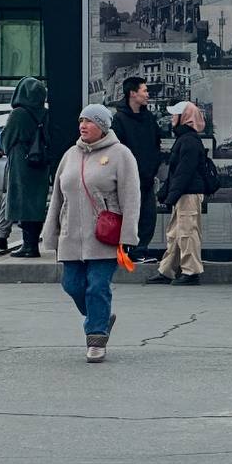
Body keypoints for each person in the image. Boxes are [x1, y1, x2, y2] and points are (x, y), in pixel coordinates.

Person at [41, 104, 140, 364]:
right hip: (71, 234)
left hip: (105, 236)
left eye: (90, 121)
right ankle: (102, 317)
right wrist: (50, 234)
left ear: (103, 127)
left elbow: (131, 197)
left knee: (97, 286)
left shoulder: (121, 155)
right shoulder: (70, 154)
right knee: (71, 285)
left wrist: (128, 236)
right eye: (81, 120)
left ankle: (96, 338)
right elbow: (57, 199)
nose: (83, 125)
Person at [148, 101, 208, 286]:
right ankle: (167, 270)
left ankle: (191, 272)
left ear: (185, 118)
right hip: (185, 193)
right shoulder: (186, 139)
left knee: (187, 233)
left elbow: (183, 172)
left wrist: (170, 195)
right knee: (176, 233)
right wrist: (169, 193)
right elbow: (178, 173)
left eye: (175, 115)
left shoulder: (188, 140)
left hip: (188, 194)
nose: (172, 118)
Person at [111, 77, 163, 263]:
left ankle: (141, 249)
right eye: (144, 90)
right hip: (129, 178)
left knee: (148, 214)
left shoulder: (149, 118)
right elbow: (118, 150)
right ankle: (130, 250)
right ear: (132, 93)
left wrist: (153, 166)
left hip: (148, 176)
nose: (148, 94)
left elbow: (156, 144)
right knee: (131, 214)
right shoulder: (119, 119)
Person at [0, 77, 50, 258]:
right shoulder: (45, 113)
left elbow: (5, 140)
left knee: (21, 202)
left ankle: (29, 246)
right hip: (41, 163)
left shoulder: (18, 114)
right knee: (36, 203)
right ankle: (33, 244)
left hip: (22, 163)